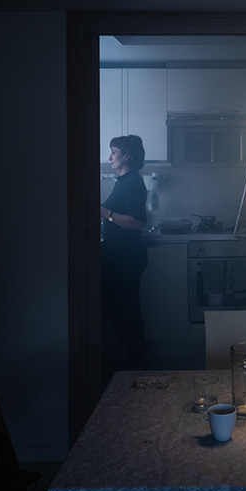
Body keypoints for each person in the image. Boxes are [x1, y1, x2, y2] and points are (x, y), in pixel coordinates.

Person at [101, 134, 148, 368]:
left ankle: (134, 360)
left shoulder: (132, 182)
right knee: (119, 307)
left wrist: (106, 214)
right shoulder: (124, 180)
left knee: (125, 308)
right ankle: (132, 357)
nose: (109, 157)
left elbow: (138, 222)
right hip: (118, 255)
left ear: (127, 156)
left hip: (126, 257)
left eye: (114, 152)